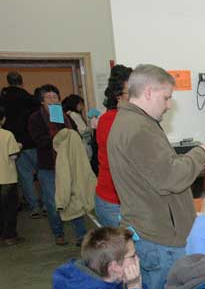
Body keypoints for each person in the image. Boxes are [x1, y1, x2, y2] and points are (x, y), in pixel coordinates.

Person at [107, 64, 205, 289]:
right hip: (159, 240)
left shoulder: (135, 123)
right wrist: (200, 153)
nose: (168, 105)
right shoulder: (138, 129)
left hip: (153, 233)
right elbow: (170, 178)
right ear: (148, 92)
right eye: (166, 98)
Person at [28, 84, 86, 245]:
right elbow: (39, 140)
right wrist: (59, 139)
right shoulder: (35, 118)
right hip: (48, 166)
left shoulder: (64, 116)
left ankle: (81, 235)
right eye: (48, 97)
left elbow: (74, 135)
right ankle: (58, 233)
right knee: (53, 202)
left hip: (68, 164)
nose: (53, 100)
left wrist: (66, 137)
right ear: (41, 101)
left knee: (74, 198)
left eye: (55, 97)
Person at [95, 64, 133, 227]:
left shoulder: (133, 119)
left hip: (127, 201)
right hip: (113, 202)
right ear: (118, 96)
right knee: (123, 251)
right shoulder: (109, 120)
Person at [0, 71, 42, 217]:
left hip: (12, 143)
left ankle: (34, 206)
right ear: (21, 82)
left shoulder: (3, 98)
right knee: (43, 173)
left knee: (25, 177)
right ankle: (48, 203)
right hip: (32, 141)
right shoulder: (29, 98)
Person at [0, 104, 22, 245]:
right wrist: (18, 146)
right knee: (9, 208)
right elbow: (13, 156)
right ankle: (10, 236)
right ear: (3, 119)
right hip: (6, 177)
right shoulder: (7, 134)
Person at [61, 93, 93, 160]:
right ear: (74, 104)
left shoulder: (71, 114)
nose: (82, 106)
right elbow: (82, 130)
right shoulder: (74, 114)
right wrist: (90, 129)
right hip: (83, 143)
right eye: (80, 104)